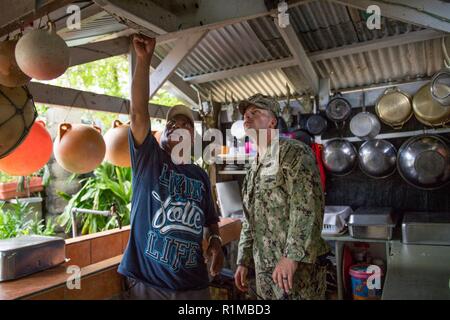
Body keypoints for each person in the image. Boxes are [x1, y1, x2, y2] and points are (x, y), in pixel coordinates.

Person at [118, 34, 224, 300]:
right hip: (149, 284)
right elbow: (138, 114)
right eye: (171, 125)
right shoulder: (149, 159)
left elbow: (211, 220)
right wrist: (143, 60)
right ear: (160, 136)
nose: (178, 126)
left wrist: (216, 242)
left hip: (195, 286)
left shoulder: (199, 175)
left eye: (186, 124)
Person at [234, 93, 329, 300]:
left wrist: (291, 257)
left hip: (294, 270)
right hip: (264, 270)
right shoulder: (253, 167)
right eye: (245, 114)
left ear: (272, 121)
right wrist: (244, 260)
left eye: (255, 112)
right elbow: (250, 219)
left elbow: (307, 208)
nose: (247, 118)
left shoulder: (294, 153)